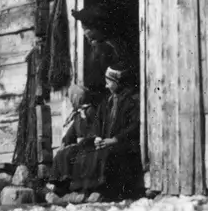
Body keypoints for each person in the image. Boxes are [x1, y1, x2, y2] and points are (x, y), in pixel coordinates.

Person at [55, 67, 143, 200]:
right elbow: (97, 123)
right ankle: (76, 189)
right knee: (81, 152)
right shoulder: (106, 102)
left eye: (109, 82)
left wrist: (114, 139)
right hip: (105, 142)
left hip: (122, 144)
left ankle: (98, 189)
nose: (106, 85)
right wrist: (97, 137)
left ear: (117, 82)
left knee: (103, 155)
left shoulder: (130, 102)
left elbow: (133, 126)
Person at [71, 3, 135, 93]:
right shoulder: (103, 43)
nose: (84, 33)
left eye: (86, 29)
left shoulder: (107, 47)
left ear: (96, 28)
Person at [49, 83, 101, 192]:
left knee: (69, 153)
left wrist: (86, 139)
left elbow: (95, 130)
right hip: (80, 145)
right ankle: (58, 183)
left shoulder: (90, 111)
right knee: (61, 153)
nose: (71, 101)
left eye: (72, 98)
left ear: (77, 98)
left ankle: (67, 183)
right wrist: (64, 141)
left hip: (89, 145)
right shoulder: (78, 114)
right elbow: (72, 132)